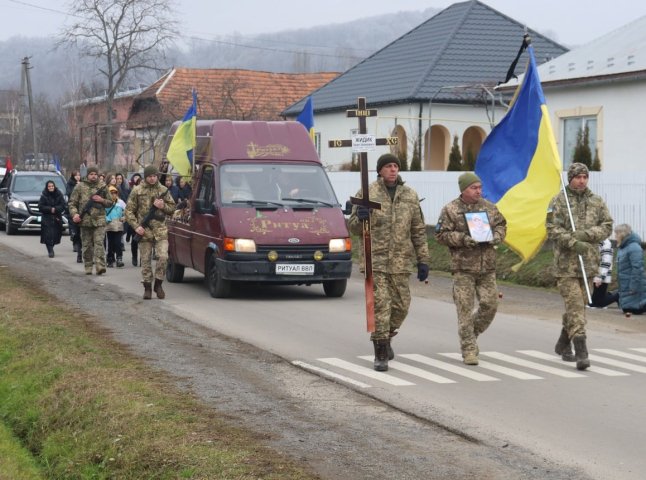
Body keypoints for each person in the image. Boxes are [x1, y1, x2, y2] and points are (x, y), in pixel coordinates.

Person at [348, 153, 430, 372]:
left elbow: (418, 230)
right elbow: (353, 227)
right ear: (380, 170)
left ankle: (387, 336)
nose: (393, 169)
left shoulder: (409, 195)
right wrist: (361, 217)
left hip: (401, 261)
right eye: (388, 166)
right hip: (375, 259)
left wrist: (423, 260)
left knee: (402, 305)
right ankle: (380, 351)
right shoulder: (368, 193)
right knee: (381, 305)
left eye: (396, 166)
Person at [435, 172, 507, 366]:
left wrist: (497, 236)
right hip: (463, 268)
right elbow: (441, 235)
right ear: (463, 189)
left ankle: (471, 333)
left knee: (490, 305)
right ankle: (468, 349)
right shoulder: (451, 209)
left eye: (479, 187)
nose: (478, 191)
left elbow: (501, 224)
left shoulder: (489, 208)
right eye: (474, 188)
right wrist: (463, 239)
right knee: (464, 310)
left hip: (487, 267)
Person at [546, 162, 613, 370]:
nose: (582, 180)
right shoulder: (558, 201)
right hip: (565, 266)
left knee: (577, 308)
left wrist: (587, 235)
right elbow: (552, 229)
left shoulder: (596, 201)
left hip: (588, 264)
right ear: (570, 178)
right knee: (575, 306)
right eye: (578, 177)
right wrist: (573, 242)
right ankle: (581, 351)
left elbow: (607, 226)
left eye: (585, 177)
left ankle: (562, 344)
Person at [125, 165, 176, 299]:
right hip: (144, 231)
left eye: (154, 176)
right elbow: (129, 211)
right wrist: (136, 227)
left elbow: (172, 208)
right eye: (149, 176)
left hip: (160, 230)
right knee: (146, 261)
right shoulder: (137, 190)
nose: (152, 179)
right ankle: (147, 287)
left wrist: (163, 206)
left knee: (163, 257)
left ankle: (158, 284)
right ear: (145, 177)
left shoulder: (163, 190)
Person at [68, 165, 113, 275]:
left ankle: (100, 266)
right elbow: (72, 203)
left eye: (95, 174)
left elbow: (110, 202)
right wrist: (75, 214)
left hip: (99, 220)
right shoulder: (80, 187)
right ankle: (88, 265)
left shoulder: (102, 186)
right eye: (91, 174)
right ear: (87, 175)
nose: (93, 176)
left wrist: (101, 200)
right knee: (87, 245)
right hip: (85, 221)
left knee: (99, 243)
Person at [613, 224, 646, 315]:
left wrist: (633, 286)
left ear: (622, 234)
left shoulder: (634, 247)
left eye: (616, 234)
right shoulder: (622, 247)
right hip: (625, 285)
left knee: (635, 310)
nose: (615, 236)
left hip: (633, 285)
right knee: (627, 310)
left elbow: (637, 268)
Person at [38, 180, 66, 258]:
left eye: (52, 186)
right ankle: (50, 250)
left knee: (56, 234)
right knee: (48, 234)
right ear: (47, 187)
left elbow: (63, 205)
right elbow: (40, 206)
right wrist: (50, 209)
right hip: (47, 217)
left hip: (57, 217)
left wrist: (56, 209)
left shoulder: (59, 194)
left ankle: (52, 246)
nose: (51, 188)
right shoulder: (44, 195)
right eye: (49, 186)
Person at [588, 238, 618, 309]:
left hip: (602, 273)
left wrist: (601, 276)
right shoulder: (596, 241)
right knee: (594, 301)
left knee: (598, 303)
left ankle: (617, 296)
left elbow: (607, 260)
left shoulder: (606, 243)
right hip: (597, 272)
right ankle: (611, 294)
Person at [105, 185, 126, 268]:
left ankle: (119, 259)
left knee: (118, 243)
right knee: (110, 244)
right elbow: (102, 213)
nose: (113, 195)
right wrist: (107, 219)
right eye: (111, 193)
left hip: (119, 226)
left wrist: (124, 218)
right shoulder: (106, 203)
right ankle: (110, 259)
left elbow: (127, 211)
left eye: (115, 193)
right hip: (109, 226)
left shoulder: (120, 202)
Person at [66, 170, 83, 262]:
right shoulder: (70, 184)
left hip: (83, 211)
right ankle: (76, 245)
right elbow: (69, 193)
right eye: (76, 175)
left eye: (79, 175)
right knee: (75, 230)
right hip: (73, 209)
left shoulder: (83, 183)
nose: (78, 177)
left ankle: (83, 252)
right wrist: (76, 187)